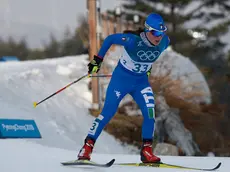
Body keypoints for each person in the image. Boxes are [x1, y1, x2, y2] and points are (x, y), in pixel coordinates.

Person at [77, 13, 170, 163]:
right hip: (121, 80)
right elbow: (110, 39)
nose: (159, 36)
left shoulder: (164, 42)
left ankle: (147, 151)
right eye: (155, 32)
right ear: (147, 30)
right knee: (107, 112)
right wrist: (97, 61)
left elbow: (148, 56)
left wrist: (146, 68)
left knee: (150, 113)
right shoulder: (132, 41)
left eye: (162, 32)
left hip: (140, 83)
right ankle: (86, 148)